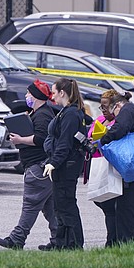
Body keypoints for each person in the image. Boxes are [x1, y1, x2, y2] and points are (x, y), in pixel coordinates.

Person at [0, 79, 58, 250]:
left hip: (38, 167)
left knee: (30, 205)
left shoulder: (43, 115)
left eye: (29, 93)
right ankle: (59, 240)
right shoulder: (39, 113)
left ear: (36, 96)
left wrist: (20, 139)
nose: (26, 96)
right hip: (40, 167)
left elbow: (42, 138)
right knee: (50, 208)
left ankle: (17, 239)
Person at [97, 90, 134, 244]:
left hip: (133, 170)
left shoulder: (127, 109)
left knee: (128, 209)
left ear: (117, 105)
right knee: (129, 208)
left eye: (114, 112)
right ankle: (125, 243)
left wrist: (103, 140)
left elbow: (120, 128)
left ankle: (126, 244)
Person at [42, 78, 86, 250]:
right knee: (60, 205)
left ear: (62, 92)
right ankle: (62, 243)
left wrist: (53, 162)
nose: (53, 96)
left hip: (66, 165)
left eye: (54, 92)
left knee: (66, 204)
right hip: (65, 164)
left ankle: (73, 244)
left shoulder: (71, 114)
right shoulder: (69, 112)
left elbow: (64, 142)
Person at [89, 89, 119, 247]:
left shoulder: (119, 121)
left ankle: (112, 240)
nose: (103, 110)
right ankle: (111, 238)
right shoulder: (100, 119)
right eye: (101, 107)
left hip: (111, 167)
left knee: (111, 205)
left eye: (106, 107)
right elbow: (90, 135)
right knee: (102, 202)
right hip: (97, 165)